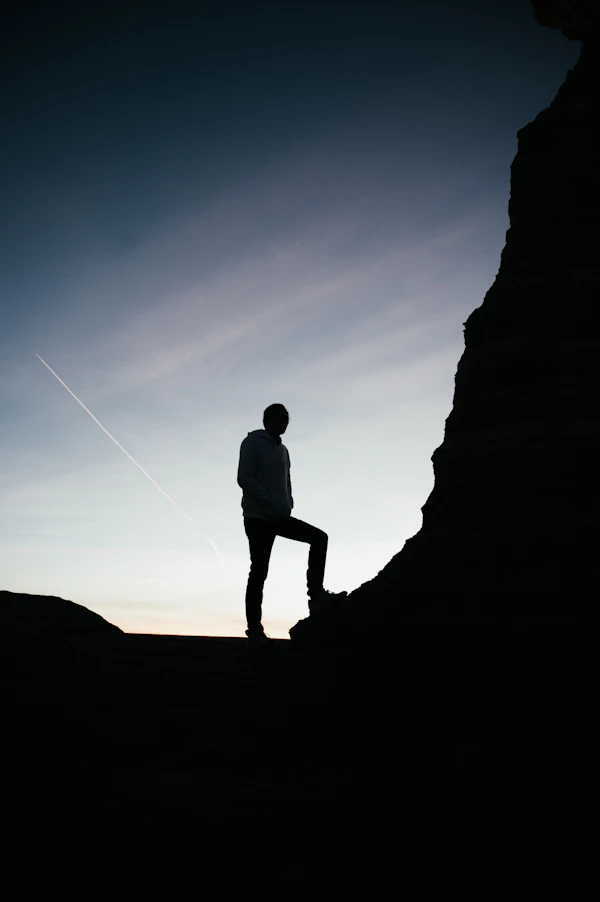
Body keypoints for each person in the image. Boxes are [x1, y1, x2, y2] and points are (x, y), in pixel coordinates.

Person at [237, 403, 347, 647]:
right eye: (280, 418)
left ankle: (316, 596)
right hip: (257, 519)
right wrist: (268, 501)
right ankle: (254, 632)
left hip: (280, 517)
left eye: (286, 419)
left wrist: (288, 502)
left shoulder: (283, 450)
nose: (284, 423)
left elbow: (286, 480)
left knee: (319, 538)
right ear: (267, 420)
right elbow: (244, 478)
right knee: (259, 572)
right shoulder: (252, 443)